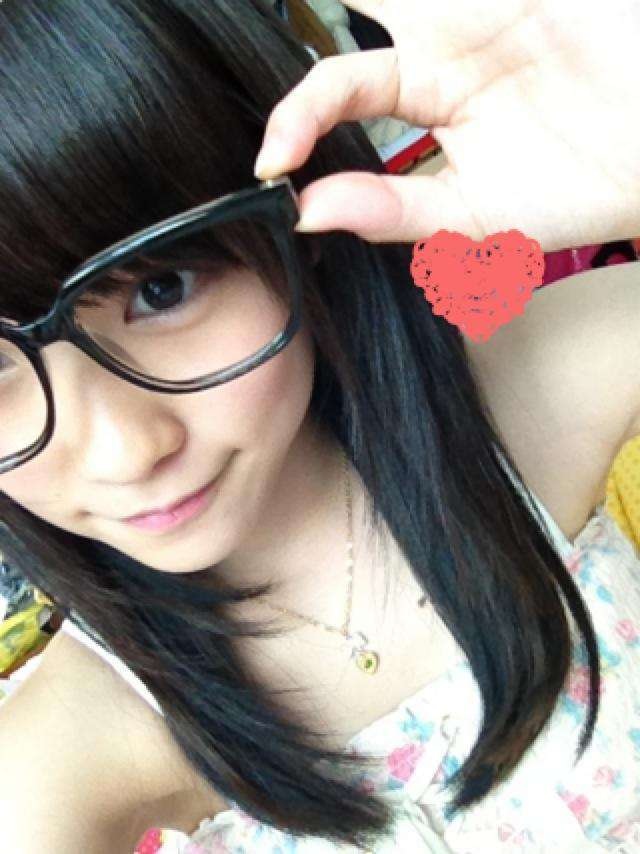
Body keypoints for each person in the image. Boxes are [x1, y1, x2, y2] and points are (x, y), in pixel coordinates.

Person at [0, 1, 639, 852]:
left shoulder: (530, 399)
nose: (127, 452)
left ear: (294, 218)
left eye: (162, 289)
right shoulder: (65, 754)